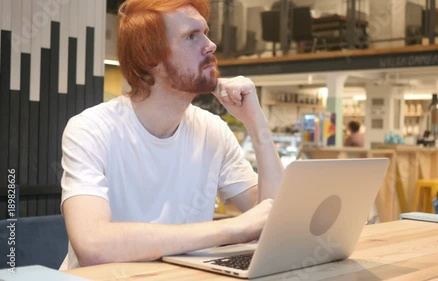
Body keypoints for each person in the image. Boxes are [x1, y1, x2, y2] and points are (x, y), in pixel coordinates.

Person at [59, 0, 284, 270]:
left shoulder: (213, 130)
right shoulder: (91, 129)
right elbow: (93, 246)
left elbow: (275, 221)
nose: (211, 45)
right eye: (191, 36)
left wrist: (256, 125)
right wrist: (234, 229)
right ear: (150, 57)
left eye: (206, 32)